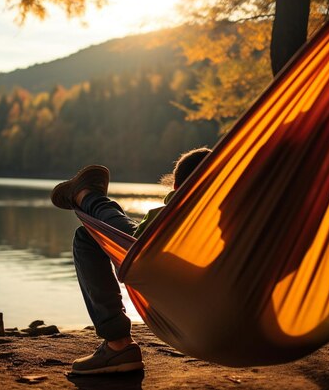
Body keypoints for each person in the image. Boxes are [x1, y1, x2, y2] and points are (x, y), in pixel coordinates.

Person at [50, 147, 211, 375]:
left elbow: (135, 242)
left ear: (176, 188)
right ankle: (90, 197)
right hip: (241, 317)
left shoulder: (177, 217)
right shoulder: (245, 223)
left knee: (93, 237)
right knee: (121, 235)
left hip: (189, 310)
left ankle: (118, 344)